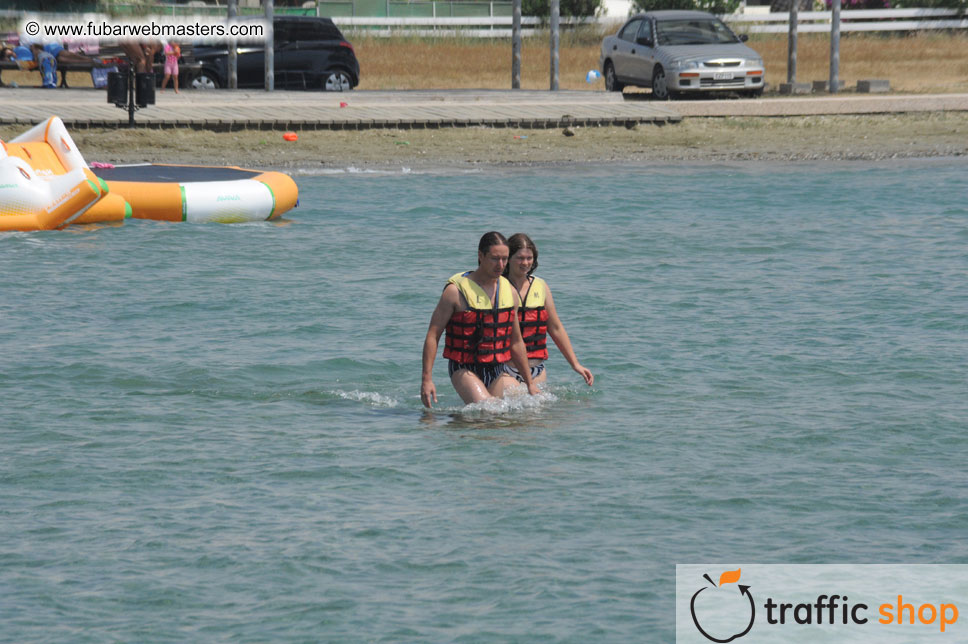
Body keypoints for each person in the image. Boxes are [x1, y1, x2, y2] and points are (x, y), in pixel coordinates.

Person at [421, 231, 540, 408]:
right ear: (480, 256)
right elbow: (433, 335)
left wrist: (530, 383)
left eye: (505, 259)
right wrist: (427, 379)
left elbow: (516, 341)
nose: (500, 265)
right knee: (488, 411)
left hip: (496, 368)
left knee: (501, 416)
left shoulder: (510, 292)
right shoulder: (455, 292)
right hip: (464, 367)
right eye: (495, 258)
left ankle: (456, 422)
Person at [501, 233, 593, 387]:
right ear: (508, 258)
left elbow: (555, 328)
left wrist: (575, 364)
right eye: (520, 258)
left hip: (537, 370)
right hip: (505, 369)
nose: (525, 263)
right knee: (513, 401)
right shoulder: (499, 286)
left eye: (529, 258)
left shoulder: (540, 286)